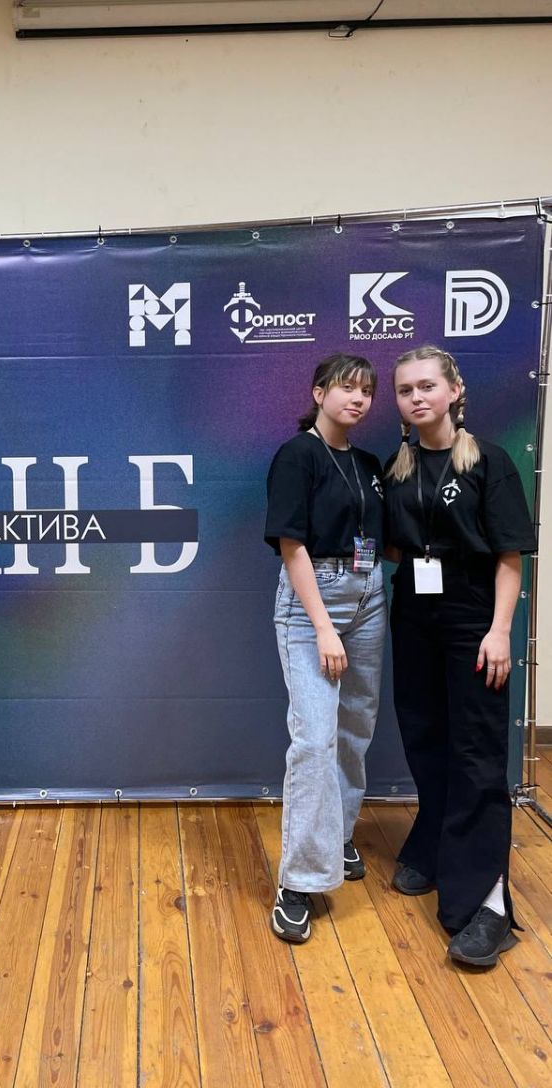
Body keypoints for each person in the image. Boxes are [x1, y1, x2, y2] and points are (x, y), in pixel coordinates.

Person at [384, 344, 535, 967]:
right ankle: (434, 844)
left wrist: (500, 630)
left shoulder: (489, 461)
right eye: (405, 390)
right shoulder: (397, 468)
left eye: (427, 386)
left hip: (474, 617)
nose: (416, 397)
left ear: (453, 391)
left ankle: (486, 903)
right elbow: (394, 549)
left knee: (475, 750)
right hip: (414, 617)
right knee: (425, 737)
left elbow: (509, 556)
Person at [264, 353, 386, 943]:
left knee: (355, 728)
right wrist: (323, 627)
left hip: (370, 596)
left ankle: (335, 837)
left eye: (366, 390)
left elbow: (382, 540)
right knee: (314, 739)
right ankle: (299, 881)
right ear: (319, 393)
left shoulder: (367, 463)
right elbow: (291, 544)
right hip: (316, 601)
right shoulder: (298, 455)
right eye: (346, 388)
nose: (357, 398)